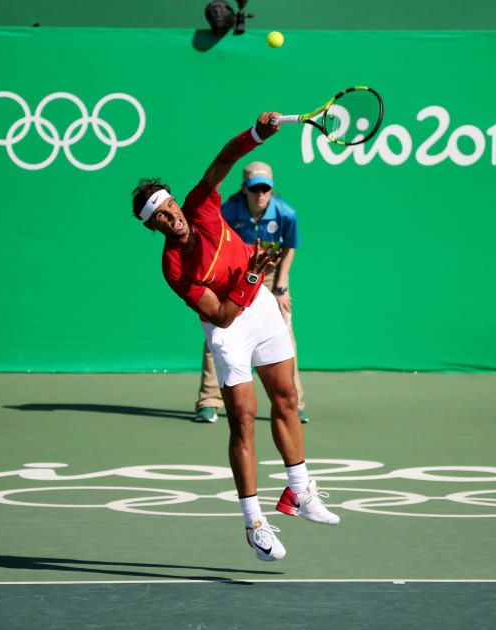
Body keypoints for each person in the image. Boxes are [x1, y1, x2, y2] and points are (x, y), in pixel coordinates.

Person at [130, 112, 339, 561]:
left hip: (260, 306)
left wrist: (257, 134)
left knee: (286, 398)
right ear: (153, 227)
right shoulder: (173, 268)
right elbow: (222, 316)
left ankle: (299, 492)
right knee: (243, 418)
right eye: (159, 218)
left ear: (176, 204)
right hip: (230, 330)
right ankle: (254, 523)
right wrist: (251, 276)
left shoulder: (201, 204)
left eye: (169, 208)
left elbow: (224, 159)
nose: (170, 217)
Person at [194, 161, 309, 425]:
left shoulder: (286, 213)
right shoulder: (227, 212)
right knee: (217, 337)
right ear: (244, 188)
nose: (260, 194)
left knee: (285, 337)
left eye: (265, 189)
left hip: (269, 278)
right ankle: (209, 401)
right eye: (255, 188)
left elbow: (290, 247)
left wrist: (281, 286)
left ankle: (295, 403)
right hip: (234, 278)